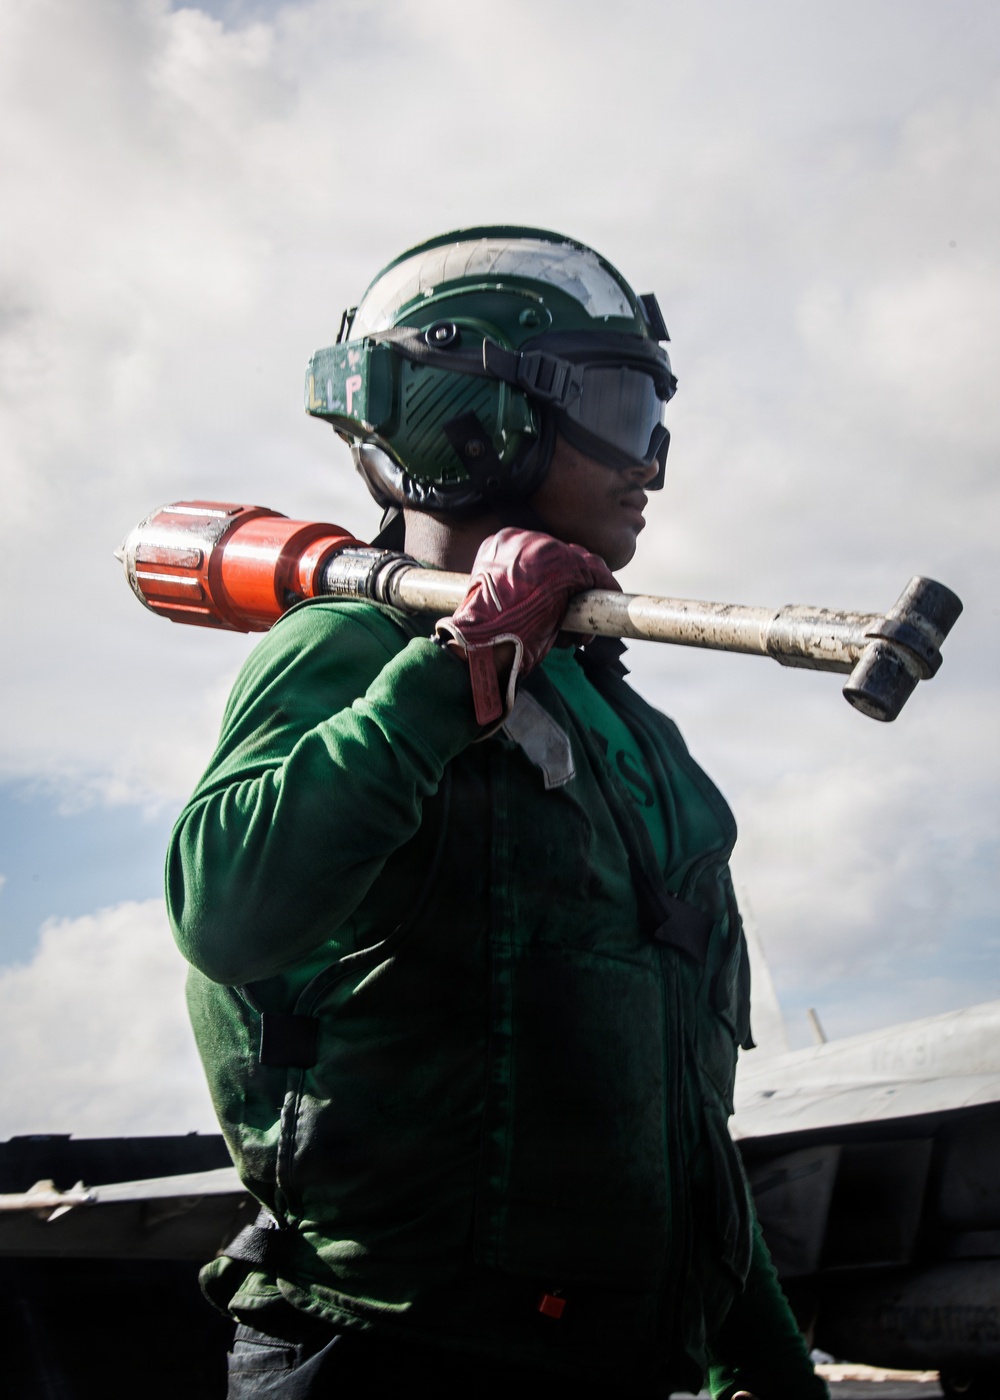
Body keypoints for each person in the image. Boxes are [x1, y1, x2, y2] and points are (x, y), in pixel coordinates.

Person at [166, 227, 827, 1398]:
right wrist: (448, 677)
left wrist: (769, 1369)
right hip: (384, 1352)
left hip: (610, 1360)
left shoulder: (635, 737)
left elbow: (676, 1118)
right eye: (622, 412)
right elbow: (225, 906)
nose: (652, 465)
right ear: (477, 424)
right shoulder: (351, 648)